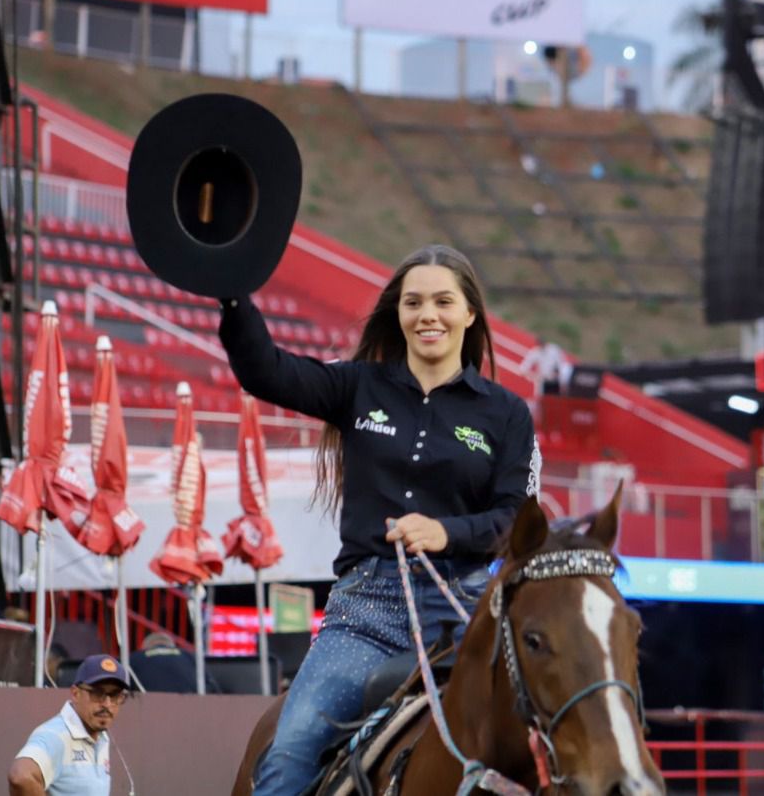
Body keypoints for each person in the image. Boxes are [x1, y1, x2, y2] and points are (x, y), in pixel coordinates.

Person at [217, 244, 539, 794]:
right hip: (362, 613)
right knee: (287, 758)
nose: (427, 315)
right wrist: (231, 295)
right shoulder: (357, 385)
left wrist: (447, 532)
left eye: (442, 301)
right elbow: (265, 372)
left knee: (539, 743)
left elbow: (516, 520)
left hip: (465, 617)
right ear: (398, 314)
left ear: (469, 315)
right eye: (413, 303)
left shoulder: (507, 414)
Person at [8, 653, 133, 796]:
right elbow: (21, 777)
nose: (107, 704)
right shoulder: (56, 735)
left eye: (116, 695)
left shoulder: (101, 735)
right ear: (75, 694)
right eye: (98, 693)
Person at [128, 631, 202, 694]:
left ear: (145, 647)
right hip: (189, 706)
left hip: (148, 706)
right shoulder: (189, 656)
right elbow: (210, 687)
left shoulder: (134, 658)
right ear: (171, 645)